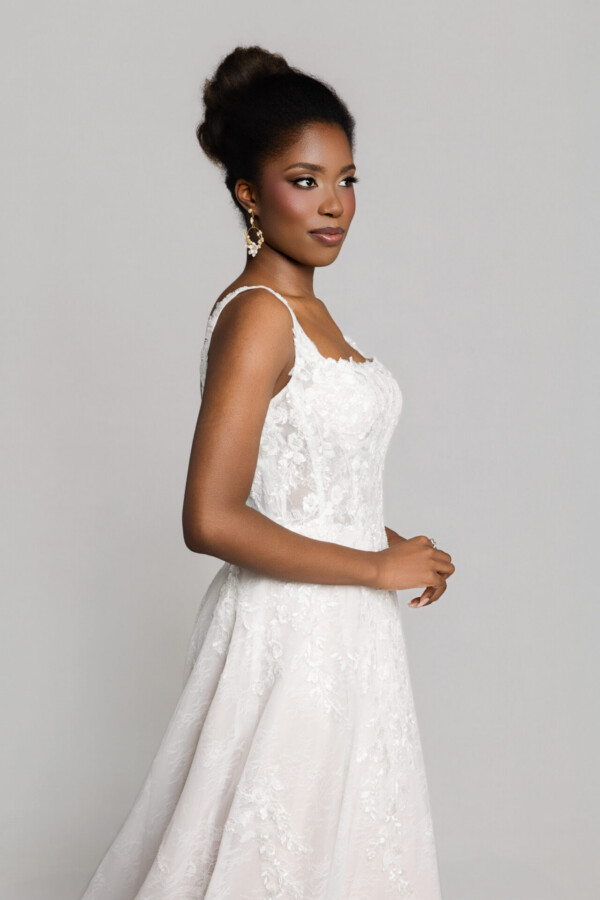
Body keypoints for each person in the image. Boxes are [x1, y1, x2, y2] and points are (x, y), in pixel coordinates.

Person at [80, 45, 454, 900]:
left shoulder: (312, 310)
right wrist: (372, 567)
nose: (335, 206)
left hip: (349, 634)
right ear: (249, 191)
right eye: (305, 180)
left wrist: (393, 544)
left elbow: (301, 485)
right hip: (291, 636)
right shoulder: (257, 316)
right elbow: (209, 517)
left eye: (347, 180)